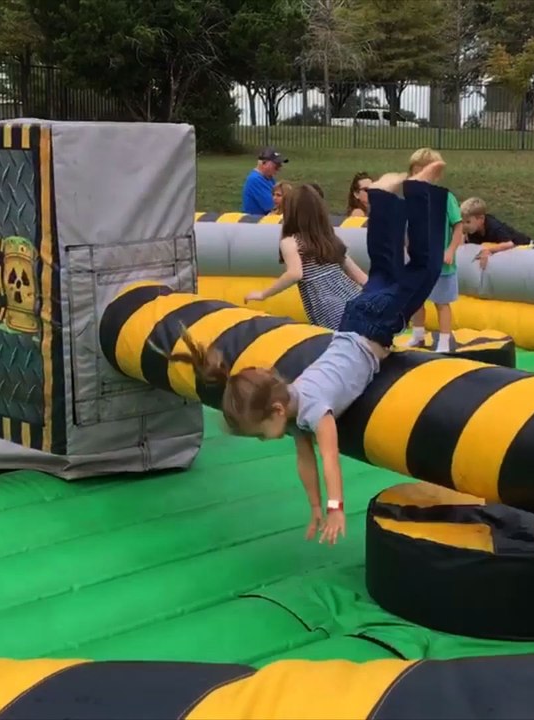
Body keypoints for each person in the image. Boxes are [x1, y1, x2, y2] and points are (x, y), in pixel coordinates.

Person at [169, 161, 449, 545]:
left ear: (277, 411)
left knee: (426, 268)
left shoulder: (315, 410)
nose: (267, 439)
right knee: (386, 270)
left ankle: (419, 191)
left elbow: (329, 458)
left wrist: (336, 505)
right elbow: (306, 462)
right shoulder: (295, 402)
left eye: (262, 433)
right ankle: (382, 196)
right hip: (353, 316)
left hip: (371, 328)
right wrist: (316, 507)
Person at [245, 184, 367, 328]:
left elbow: (295, 274)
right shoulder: (330, 239)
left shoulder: (291, 242)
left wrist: (263, 294)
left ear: (291, 212)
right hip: (354, 299)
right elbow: (360, 277)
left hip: (328, 307)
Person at [405, 148, 464, 353]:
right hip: (420, 258)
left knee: (441, 301)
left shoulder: (445, 198)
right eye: (415, 173)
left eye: (424, 173)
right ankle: (418, 334)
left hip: (442, 261)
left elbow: (458, 226)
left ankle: (445, 340)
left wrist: (450, 250)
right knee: (417, 299)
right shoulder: (410, 198)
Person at [459, 197, 534, 270]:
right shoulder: (472, 230)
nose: (464, 226)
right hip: (499, 246)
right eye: (462, 222)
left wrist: (488, 250)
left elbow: (509, 244)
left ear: (481, 219)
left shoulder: (494, 227)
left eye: (468, 222)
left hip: (522, 245)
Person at [242, 147, 287, 215]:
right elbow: (274, 206)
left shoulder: (268, 178)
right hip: (256, 223)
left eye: (280, 165)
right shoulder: (255, 180)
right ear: (264, 163)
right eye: (276, 165)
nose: (279, 168)